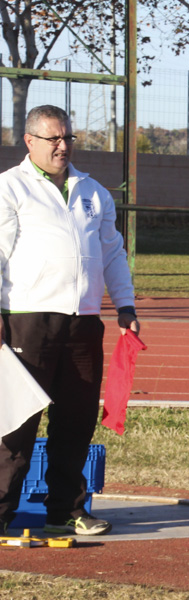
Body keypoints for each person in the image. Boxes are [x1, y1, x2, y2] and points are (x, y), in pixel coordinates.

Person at [0, 104, 140, 536]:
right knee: (17, 424)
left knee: (76, 420)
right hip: (26, 319)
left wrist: (126, 307)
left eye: (68, 138)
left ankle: (68, 509)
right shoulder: (9, 188)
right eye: (53, 139)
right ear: (29, 141)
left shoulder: (93, 192)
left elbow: (113, 253)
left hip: (82, 322)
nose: (63, 146)